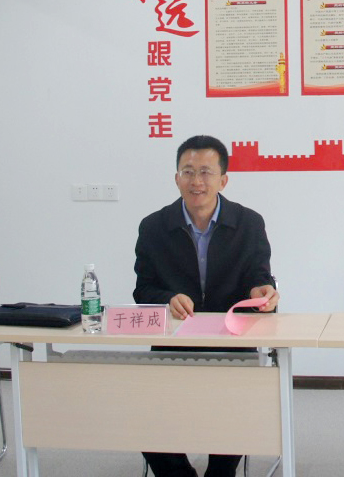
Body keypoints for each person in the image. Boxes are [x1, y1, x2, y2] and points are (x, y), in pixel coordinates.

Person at [133, 135, 279, 477]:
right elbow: (143, 289)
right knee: (144, 413)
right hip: (173, 342)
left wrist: (262, 290)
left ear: (223, 180)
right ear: (176, 178)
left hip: (232, 342)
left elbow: (259, 276)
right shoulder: (154, 227)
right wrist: (167, 298)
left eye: (205, 172)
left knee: (235, 410)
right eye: (187, 171)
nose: (196, 181)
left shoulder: (249, 223)